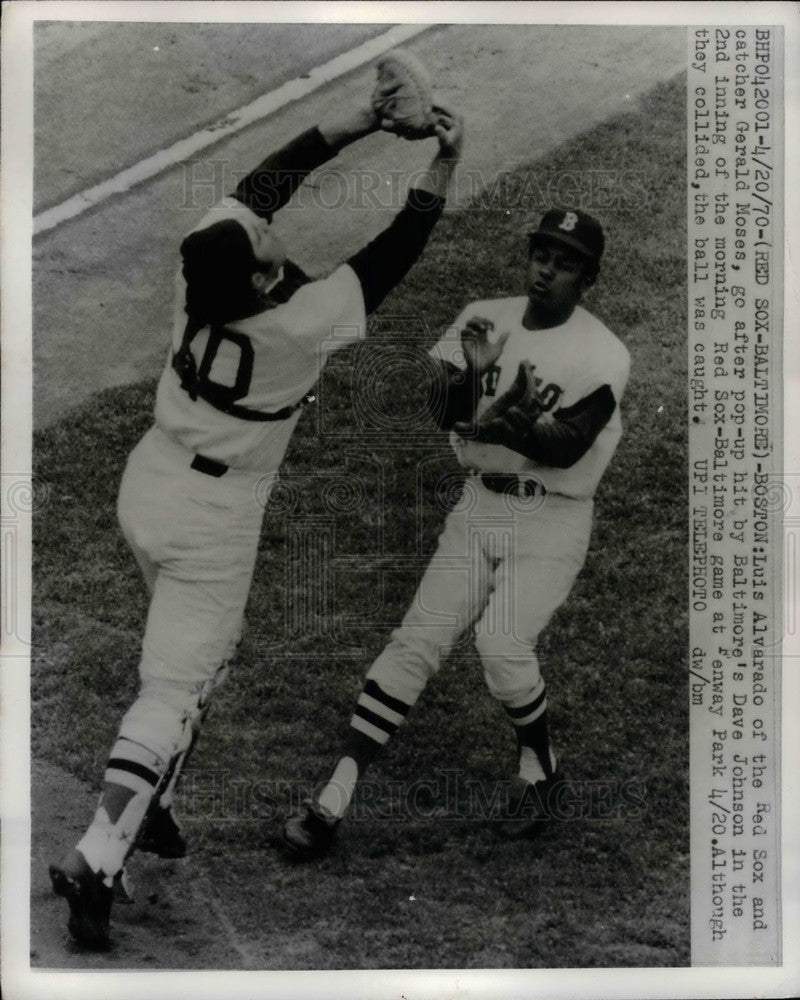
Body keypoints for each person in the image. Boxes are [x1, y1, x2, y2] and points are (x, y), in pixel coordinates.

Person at [49, 85, 464, 949]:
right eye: (267, 243)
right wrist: (441, 160)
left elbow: (264, 187)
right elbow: (391, 254)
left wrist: (365, 118)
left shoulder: (198, 273)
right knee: (169, 691)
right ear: (266, 273)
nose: (270, 228)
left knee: (206, 661)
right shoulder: (299, 325)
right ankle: (98, 853)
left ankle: (150, 809)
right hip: (212, 522)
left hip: (149, 484)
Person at [280, 208, 631, 858]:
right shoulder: (483, 315)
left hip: (551, 519)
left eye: (566, 261)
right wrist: (473, 376)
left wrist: (511, 424)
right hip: (478, 508)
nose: (547, 268)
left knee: (501, 646)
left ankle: (541, 767)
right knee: (417, 639)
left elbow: (566, 447)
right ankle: (333, 798)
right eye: (541, 253)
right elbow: (443, 408)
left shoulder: (604, 353)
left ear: (590, 277)